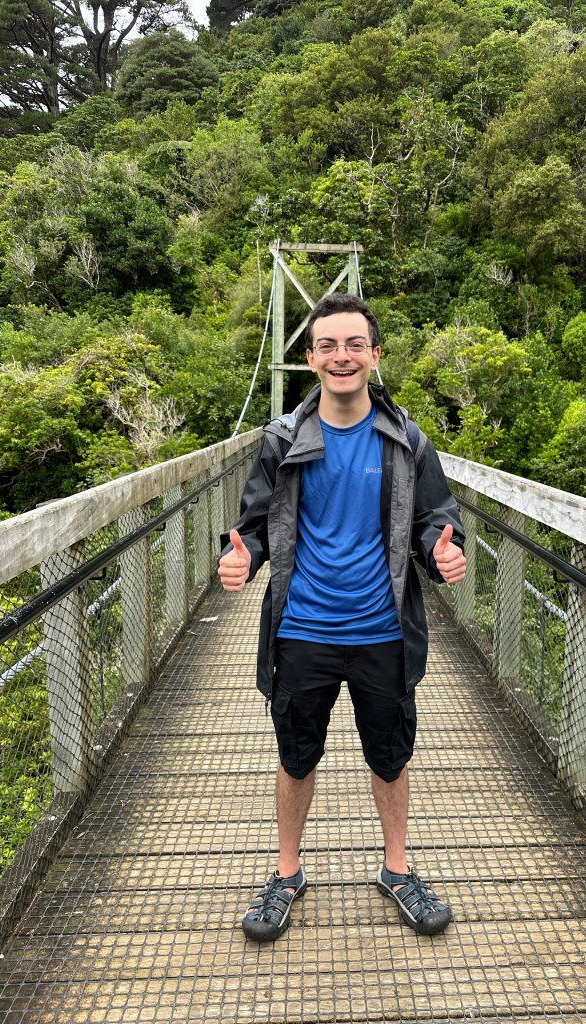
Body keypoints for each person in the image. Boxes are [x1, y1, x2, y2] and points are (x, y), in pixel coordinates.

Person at [218, 292, 467, 942]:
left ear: (375, 355)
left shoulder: (407, 439)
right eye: (327, 345)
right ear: (310, 358)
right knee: (296, 756)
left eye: (355, 344)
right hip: (302, 630)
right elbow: (252, 526)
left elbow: (435, 518)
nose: (342, 356)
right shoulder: (281, 440)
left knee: (390, 755)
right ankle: (286, 874)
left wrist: (442, 551)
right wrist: (240, 557)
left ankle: (397, 870)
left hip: (384, 631)